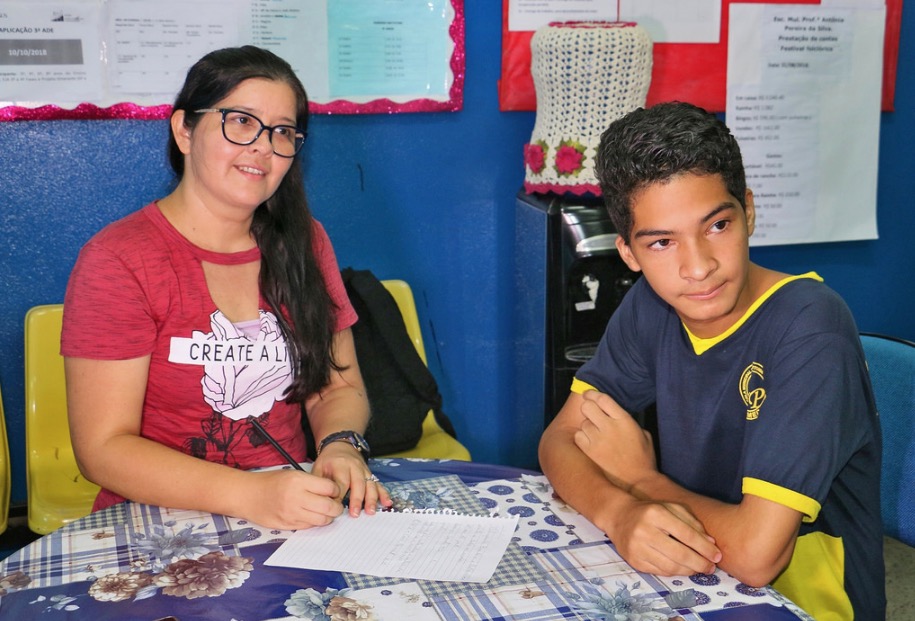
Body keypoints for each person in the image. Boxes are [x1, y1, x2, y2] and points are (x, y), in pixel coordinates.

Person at [538, 102, 884, 620]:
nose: (696, 267)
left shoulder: (810, 326)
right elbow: (559, 440)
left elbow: (757, 556)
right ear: (629, 254)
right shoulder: (653, 304)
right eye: (661, 242)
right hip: (694, 578)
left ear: (748, 210)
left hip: (802, 602)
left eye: (717, 226)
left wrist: (642, 480)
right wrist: (620, 510)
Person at [62, 45, 391, 531]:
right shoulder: (117, 260)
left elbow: (336, 386)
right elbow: (103, 448)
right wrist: (249, 495)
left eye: (283, 132)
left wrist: (339, 445)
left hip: (285, 509)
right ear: (184, 131)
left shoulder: (306, 241)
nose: (263, 146)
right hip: (157, 522)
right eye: (241, 121)